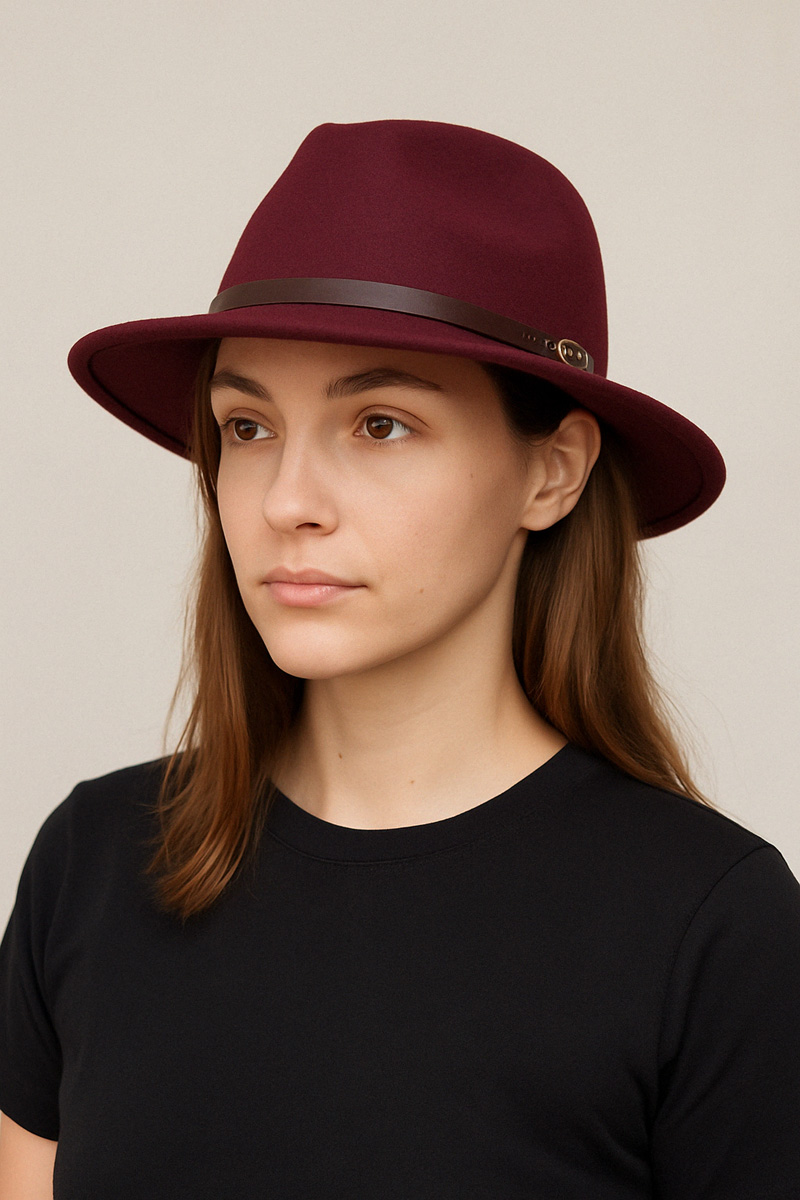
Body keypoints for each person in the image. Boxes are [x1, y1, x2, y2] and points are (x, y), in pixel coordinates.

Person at [1, 119, 798, 1199]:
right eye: (247, 427)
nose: (286, 502)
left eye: (379, 424)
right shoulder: (94, 863)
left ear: (552, 473)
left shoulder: (714, 930)